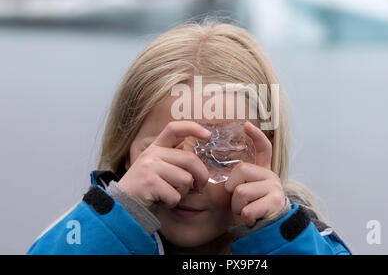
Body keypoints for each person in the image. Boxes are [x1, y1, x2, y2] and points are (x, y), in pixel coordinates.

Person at [27, 21, 351, 255]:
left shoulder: (303, 241)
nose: (192, 181)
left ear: (266, 157)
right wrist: (119, 218)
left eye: (221, 153)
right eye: (169, 152)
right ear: (125, 151)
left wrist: (274, 239)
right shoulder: (82, 233)